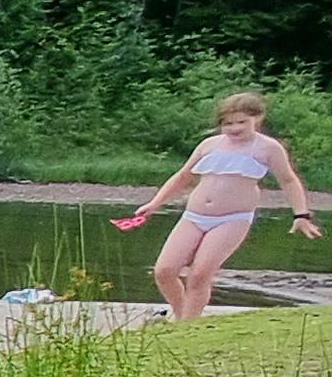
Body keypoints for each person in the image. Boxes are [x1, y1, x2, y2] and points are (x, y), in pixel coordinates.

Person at [117, 92, 318, 318]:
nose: (234, 128)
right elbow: (183, 176)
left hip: (232, 219)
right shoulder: (209, 145)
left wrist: (301, 215)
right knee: (165, 271)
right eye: (228, 123)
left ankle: (187, 327)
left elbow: (288, 180)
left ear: (257, 118)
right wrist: (155, 203)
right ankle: (181, 312)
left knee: (199, 275)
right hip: (194, 215)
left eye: (241, 122)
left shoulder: (268, 148)